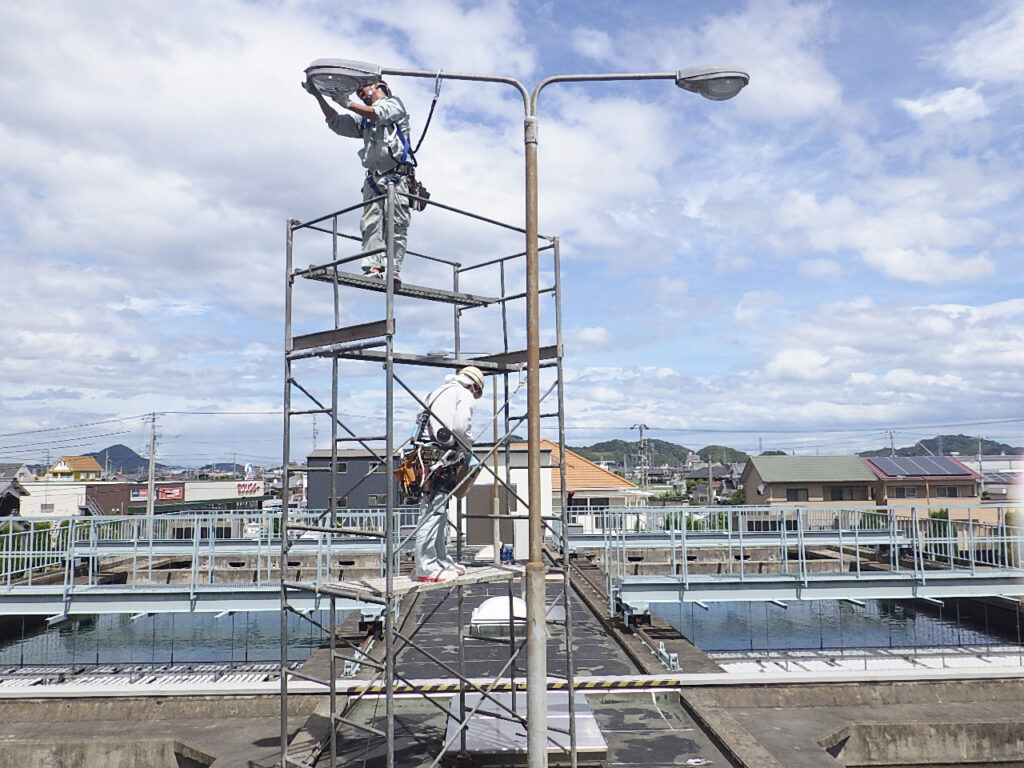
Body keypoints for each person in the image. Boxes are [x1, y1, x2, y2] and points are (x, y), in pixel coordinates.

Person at [304, 78, 413, 284]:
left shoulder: (394, 105)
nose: (359, 93)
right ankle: (373, 267)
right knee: (371, 223)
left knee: (396, 224)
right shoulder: (365, 120)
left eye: (363, 88)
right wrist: (319, 97)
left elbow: (379, 113)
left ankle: (393, 269)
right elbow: (337, 123)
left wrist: (348, 103)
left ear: (378, 85)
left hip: (397, 178)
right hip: (374, 179)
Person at [412, 366, 484, 582]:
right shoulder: (463, 394)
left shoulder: (434, 393)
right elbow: (461, 429)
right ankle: (426, 567)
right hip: (440, 459)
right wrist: (468, 449)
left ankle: (440, 560)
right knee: (432, 513)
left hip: (425, 457)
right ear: (473, 387)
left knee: (439, 511)